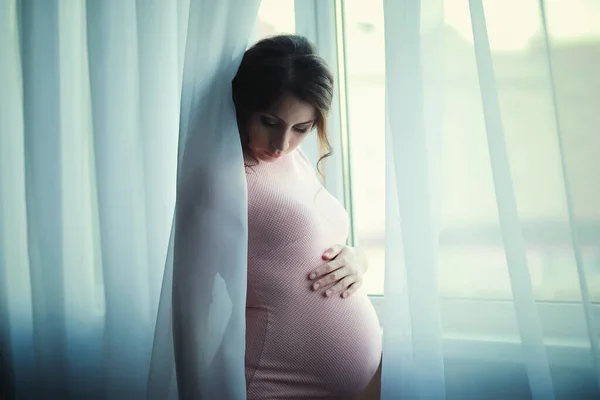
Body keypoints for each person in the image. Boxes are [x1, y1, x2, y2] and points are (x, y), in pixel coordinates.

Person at [232, 34, 382, 399]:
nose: (282, 144)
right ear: (245, 106)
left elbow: (305, 244)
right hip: (273, 382)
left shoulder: (292, 160)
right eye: (269, 121)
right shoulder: (229, 177)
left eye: (301, 129)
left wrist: (357, 259)